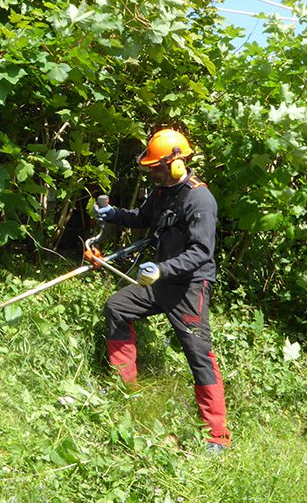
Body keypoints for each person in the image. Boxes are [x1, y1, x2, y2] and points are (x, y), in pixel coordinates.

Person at [93, 128, 231, 452]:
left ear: (176, 164)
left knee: (198, 354)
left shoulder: (200, 200)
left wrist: (162, 269)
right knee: (117, 307)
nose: (152, 172)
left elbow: (201, 252)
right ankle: (125, 387)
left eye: (156, 167)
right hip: (161, 281)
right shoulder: (162, 192)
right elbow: (142, 218)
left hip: (190, 288)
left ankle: (217, 436)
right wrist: (114, 214)